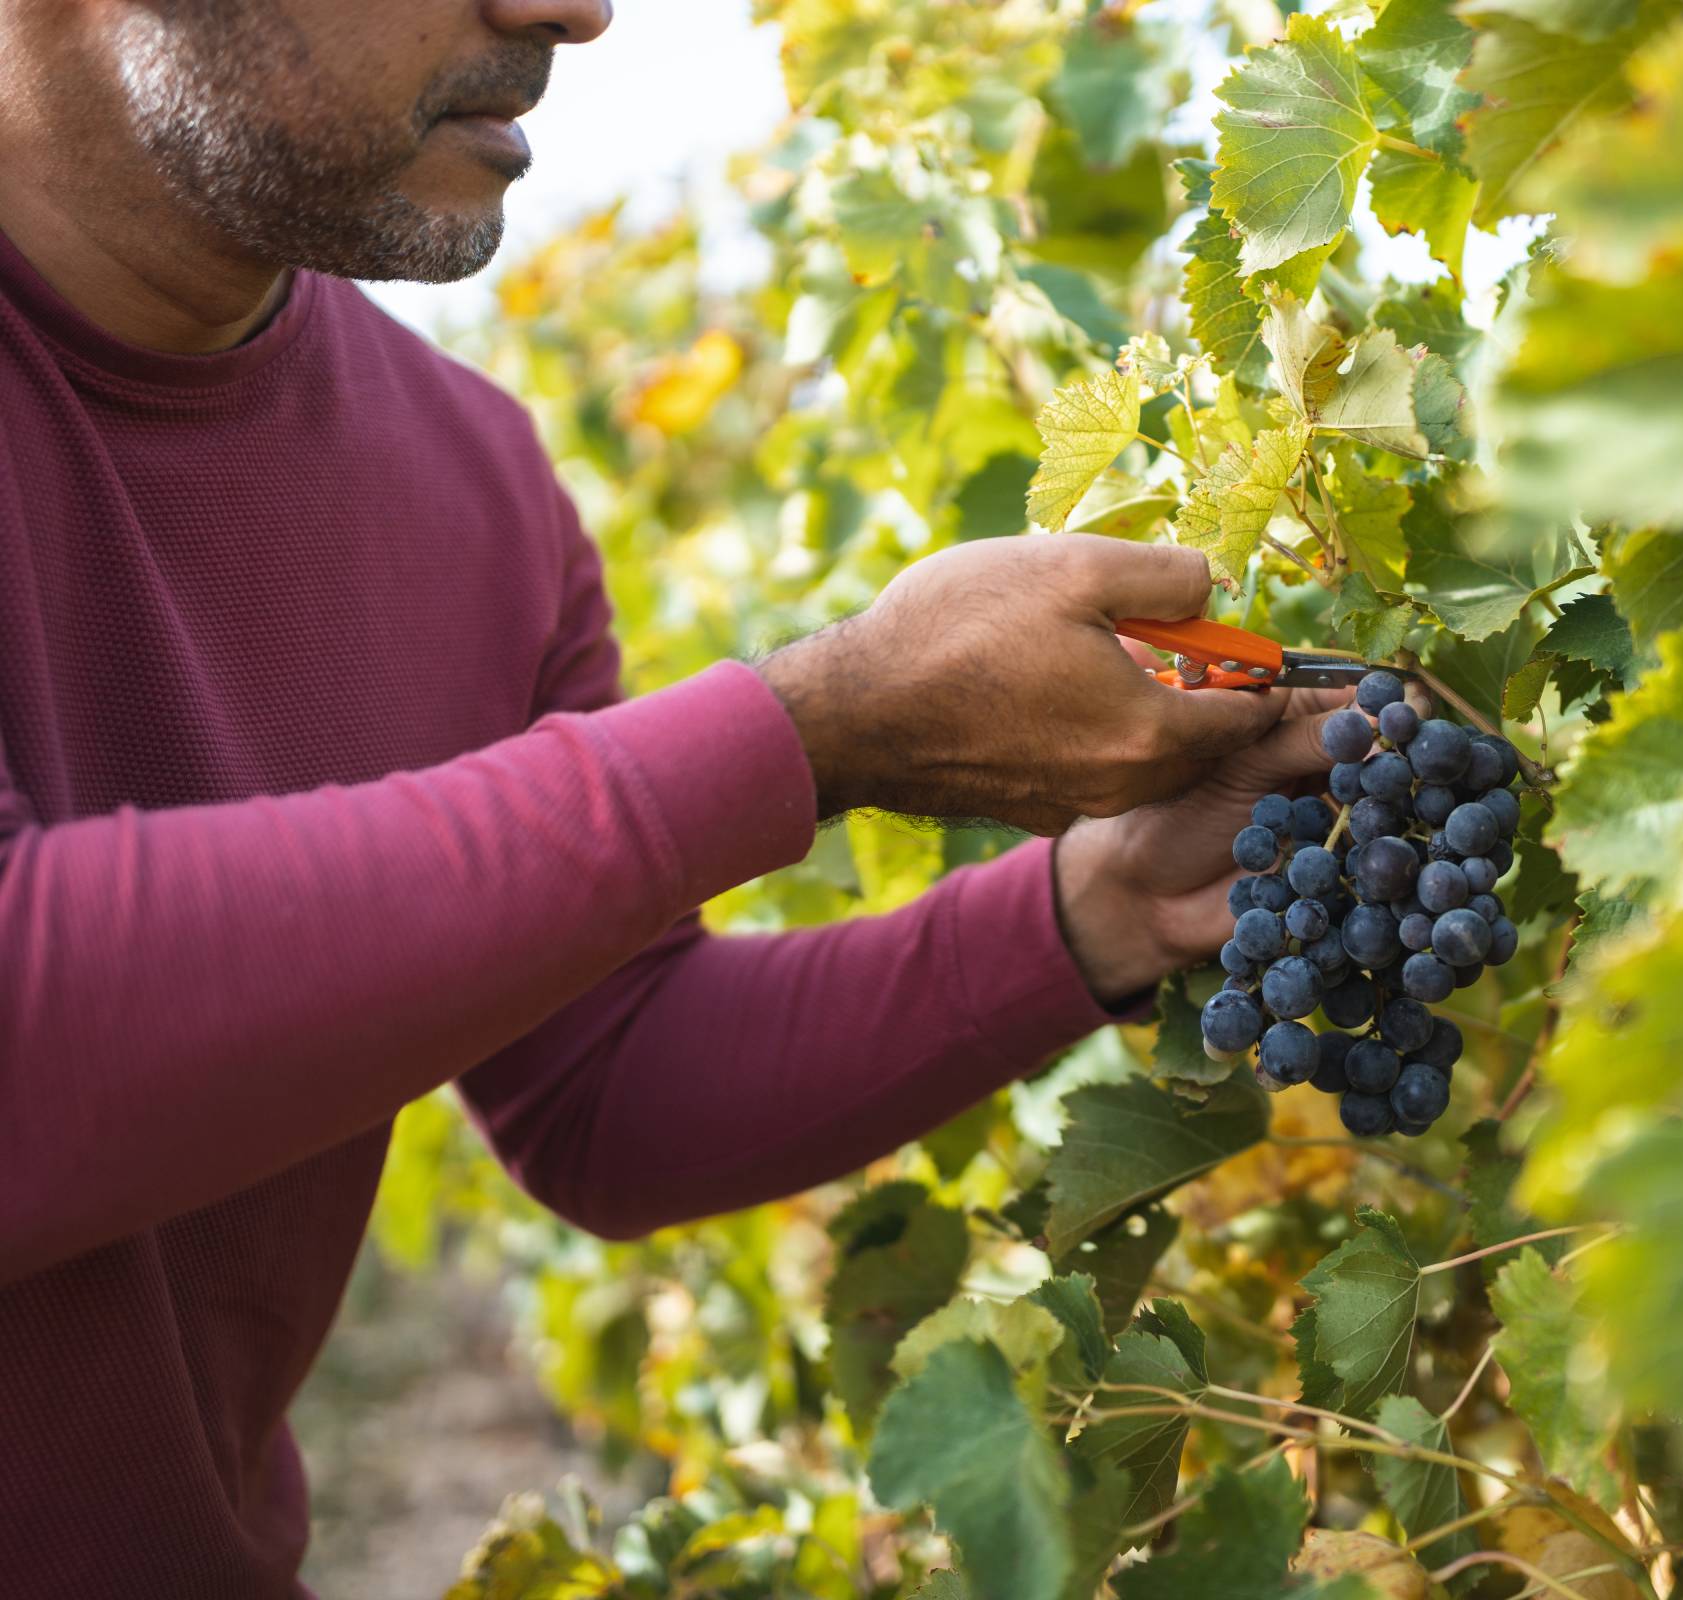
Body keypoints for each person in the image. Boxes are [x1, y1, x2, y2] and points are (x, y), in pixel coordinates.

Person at [0, 2, 1342, 1591]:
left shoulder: (471, 480)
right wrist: (812, 733)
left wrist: (1103, 906)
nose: (575, 7)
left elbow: (603, 1090)